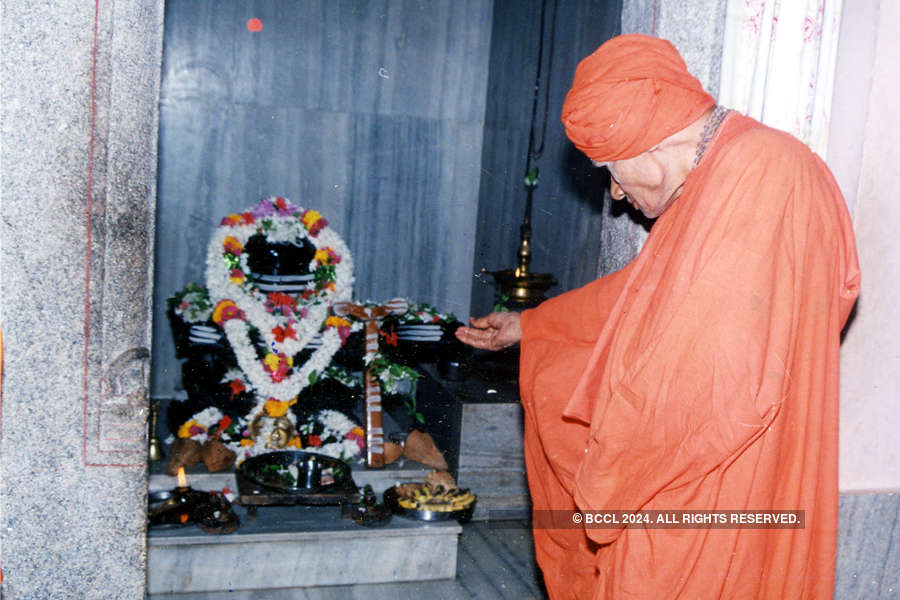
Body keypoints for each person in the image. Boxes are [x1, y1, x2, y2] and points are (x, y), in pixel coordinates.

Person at [456, 34, 859, 599]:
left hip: (712, 489)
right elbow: (647, 297)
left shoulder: (759, 173)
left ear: (649, 141)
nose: (616, 193)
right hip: (703, 476)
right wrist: (535, 325)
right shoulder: (727, 173)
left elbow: (710, 381)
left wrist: (607, 479)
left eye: (611, 170)